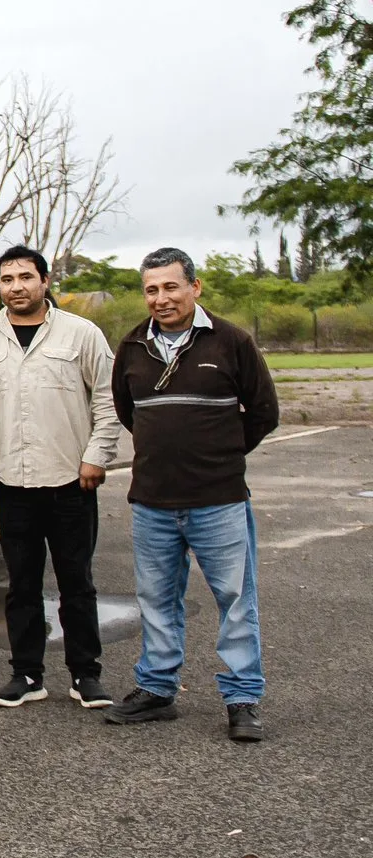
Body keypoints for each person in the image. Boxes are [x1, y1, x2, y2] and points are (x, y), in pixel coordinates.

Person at [108, 246, 278, 742]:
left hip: (219, 500)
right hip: (153, 503)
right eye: (151, 290)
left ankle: (243, 698)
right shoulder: (133, 346)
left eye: (171, 287)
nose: (161, 298)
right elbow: (129, 412)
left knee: (236, 600)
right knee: (157, 600)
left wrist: (219, 454)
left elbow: (264, 412)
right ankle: (157, 690)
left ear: (194, 287)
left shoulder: (231, 341)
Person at [0, 245, 122, 710]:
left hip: (71, 480)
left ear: (45, 281)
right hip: (12, 484)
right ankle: (27, 675)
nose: (16, 287)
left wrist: (96, 457)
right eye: (7, 279)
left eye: (25, 277)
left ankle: (86, 676)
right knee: (22, 586)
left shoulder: (82, 334)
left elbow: (108, 399)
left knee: (77, 583)